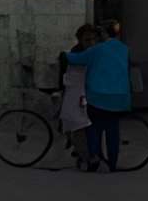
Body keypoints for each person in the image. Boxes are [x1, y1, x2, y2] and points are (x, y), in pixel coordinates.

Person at [62, 22, 133, 173]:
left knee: (93, 129)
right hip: (120, 98)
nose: (92, 42)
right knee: (113, 131)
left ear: (102, 36)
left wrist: (62, 56)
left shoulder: (96, 50)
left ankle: (95, 159)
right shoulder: (124, 49)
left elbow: (72, 59)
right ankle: (112, 164)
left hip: (97, 99)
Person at [57, 25, 100, 170]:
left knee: (82, 125)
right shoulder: (76, 54)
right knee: (79, 125)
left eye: (94, 39)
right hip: (79, 94)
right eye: (88, 39)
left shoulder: (93, 52)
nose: (91, 42)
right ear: (80, 40)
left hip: (87, 94)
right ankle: (87, 157)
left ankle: (85, 154)